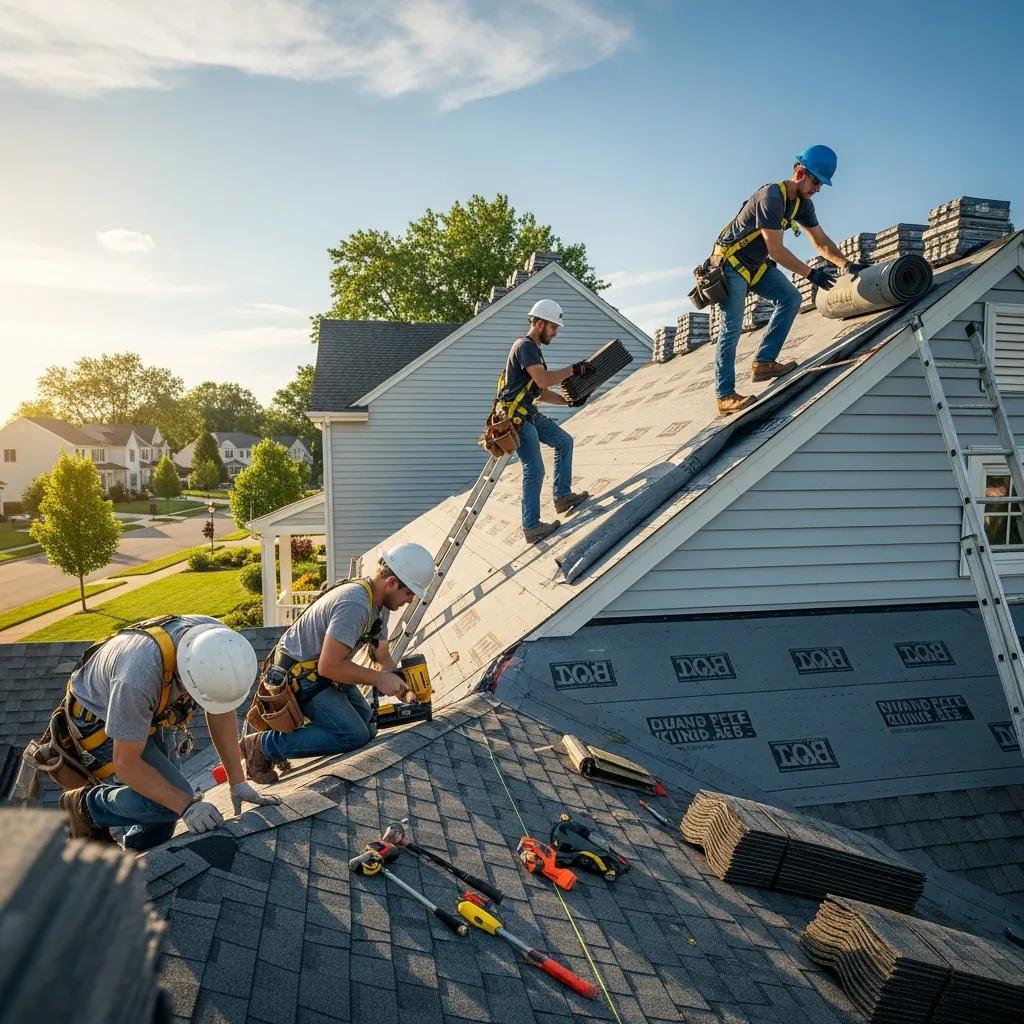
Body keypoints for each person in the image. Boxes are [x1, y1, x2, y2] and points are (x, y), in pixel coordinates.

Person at [58, 616, 279, 849]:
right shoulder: (138, 677)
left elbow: (220, 711)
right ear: (185, 679)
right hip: (100, 717)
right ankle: (85, 806)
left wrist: (237, 781)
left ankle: (139, 850)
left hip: (150, 710)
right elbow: (126, 764)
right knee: (170, 801)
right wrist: (187, 806)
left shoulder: (219, 645)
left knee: (163, 818)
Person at [239, 543, 434, 781]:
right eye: (409, 593)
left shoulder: (378, 604)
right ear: (392, 583)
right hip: (297, 677)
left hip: (320, 673)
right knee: (354, 736)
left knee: (369, 727)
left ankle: (275, 744)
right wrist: (380, 679)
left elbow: (381, 655)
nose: (411, 599)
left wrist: (403, 686)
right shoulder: (355, 603)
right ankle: (263, 747)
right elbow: (328, 666)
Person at [710, 145, 866, 415]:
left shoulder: (802, 205)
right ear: (800, 173)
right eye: (816, 181)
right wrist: (811, 274)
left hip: (755, 266)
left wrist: (847, 264)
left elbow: (821, 242)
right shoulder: (771, 197)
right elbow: (776, 250)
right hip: (731, 264)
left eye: (821, 184)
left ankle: (764, 362)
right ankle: (725, 396)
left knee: (791, 298)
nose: (818, 188)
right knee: (732, 327)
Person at [497, 299, 592, 543]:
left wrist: (569, 401)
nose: (555, 333)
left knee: (564, 441)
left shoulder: (532, 350)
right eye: (553, 327)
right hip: (518, 418)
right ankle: (531, 526)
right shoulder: (525, 347)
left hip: (529, 412)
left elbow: (539, 392)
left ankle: (562, 497)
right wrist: (574, 369)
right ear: (539, 323)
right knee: (535, 469)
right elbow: (543, 380)